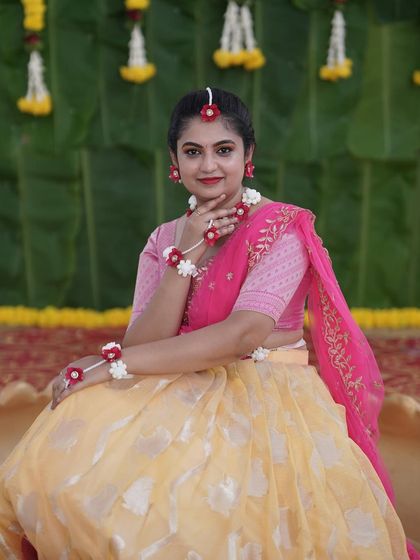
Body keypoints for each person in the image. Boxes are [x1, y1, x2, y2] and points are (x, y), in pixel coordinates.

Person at [0, 87, 417, 560]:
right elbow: (145, 340)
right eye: (193, 152)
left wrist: (109, 364)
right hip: (181, 382)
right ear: (174, 161)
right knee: (75, 480)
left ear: (248, 155)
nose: (209, 166)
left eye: (224, 150)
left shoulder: (283, 229)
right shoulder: (165, 239)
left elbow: (242, 336)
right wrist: (185, 255)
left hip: (267, 396)